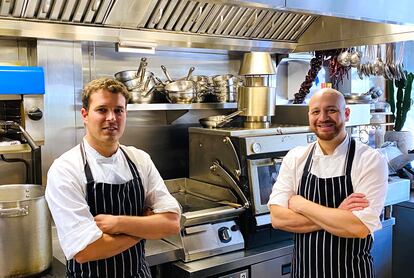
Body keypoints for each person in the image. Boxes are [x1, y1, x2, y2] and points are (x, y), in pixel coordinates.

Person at [45, 77, 181, 278]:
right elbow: (85, 251)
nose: (111, 117)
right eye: (102, 110)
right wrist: (145, 225)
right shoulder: (66, 169)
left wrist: (118, 224)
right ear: (85, 114)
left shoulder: (139, 160)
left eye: (118, 110)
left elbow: (172, 223)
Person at [268, 88, 388, 278]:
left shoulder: (370, 160)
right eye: (316, 111)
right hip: (304, 272)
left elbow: (358, 227)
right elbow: (278, 218)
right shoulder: (296, 157)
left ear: (346, 114)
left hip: (352, 272)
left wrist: (301, 204)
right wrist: (339, 215)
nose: (323, 117)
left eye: (331, 110)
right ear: (309, 116)